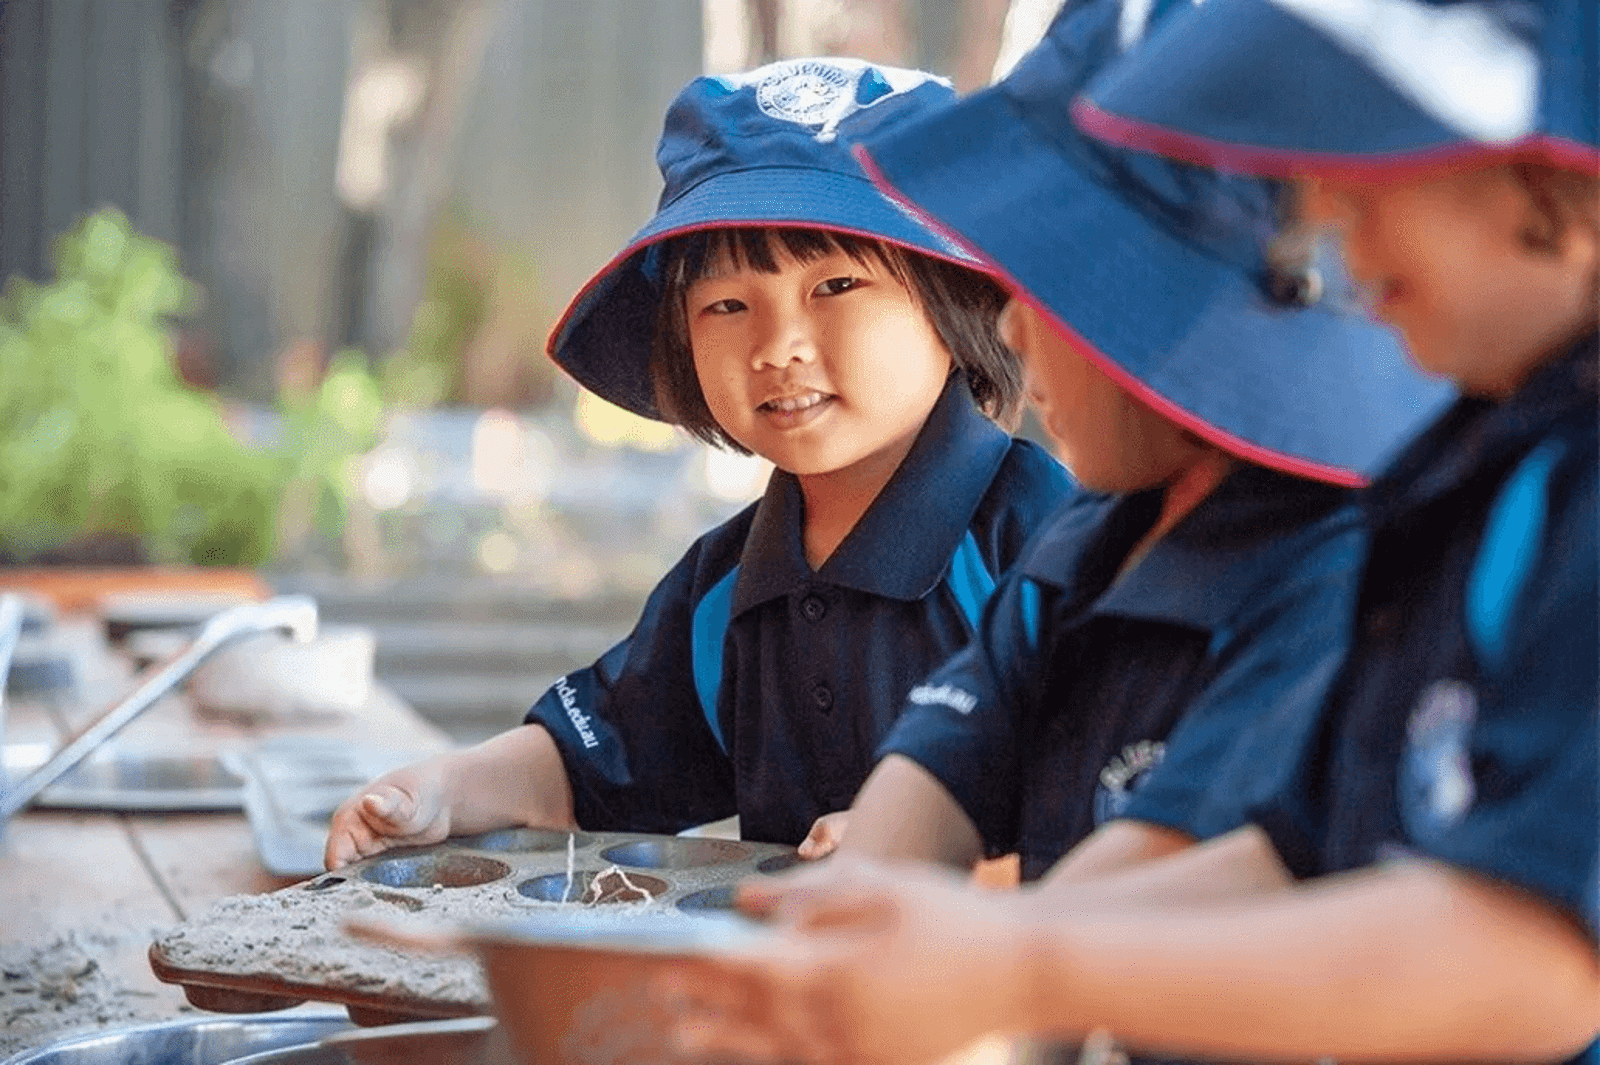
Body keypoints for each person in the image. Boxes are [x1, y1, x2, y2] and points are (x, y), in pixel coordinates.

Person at [666, 1, 1600, 1063]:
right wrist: (912, 952)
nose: (1323, 211)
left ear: (1552, 177)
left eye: (1374, 165)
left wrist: (1018, 966)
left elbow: (1542, 959)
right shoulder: (1474, 466)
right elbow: (1290, 851)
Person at [323, 57, 1074, 867]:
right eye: (726, 304)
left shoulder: (1045, 539)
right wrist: (442, 788)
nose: (777, 346)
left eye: (835, 286)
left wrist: (935, 836)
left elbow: (1116, 795)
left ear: (958, 299)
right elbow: (586, 768)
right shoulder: (727, 588)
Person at [792, 0, 1446, 891]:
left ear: (1162, 321)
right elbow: (943, 763)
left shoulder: (1332, 568)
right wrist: (853, 892)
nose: (1010, 330)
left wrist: (971, 947)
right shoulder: (1087, 535)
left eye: (1049, 287)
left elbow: (1161, 872)